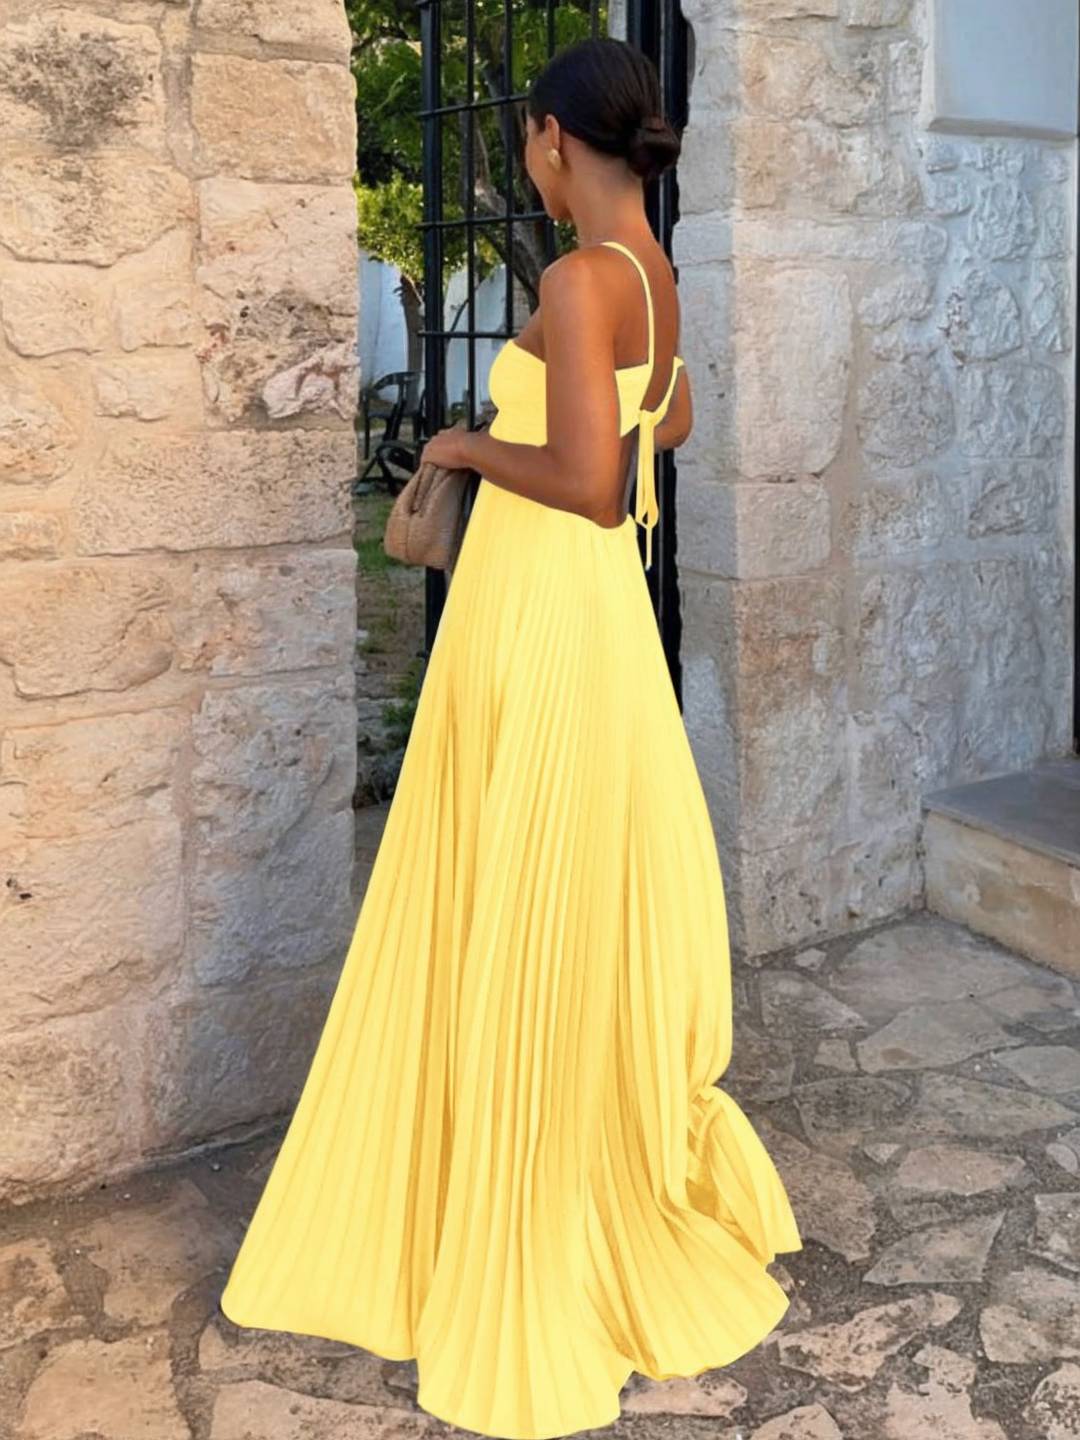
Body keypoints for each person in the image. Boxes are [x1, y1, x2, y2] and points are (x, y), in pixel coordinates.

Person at [219, 35, 803, 1440]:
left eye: (525, 145)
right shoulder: (653, 272)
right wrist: (565, 433)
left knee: (511, 883)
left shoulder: (579, 277)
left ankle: (509, 1189)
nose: (525, 164)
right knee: (558, 886)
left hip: (541, 612)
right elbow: (672, 425)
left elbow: (595, 484)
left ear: (550, 137)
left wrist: (466, 445)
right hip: (592, 621)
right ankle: (559, 1146)